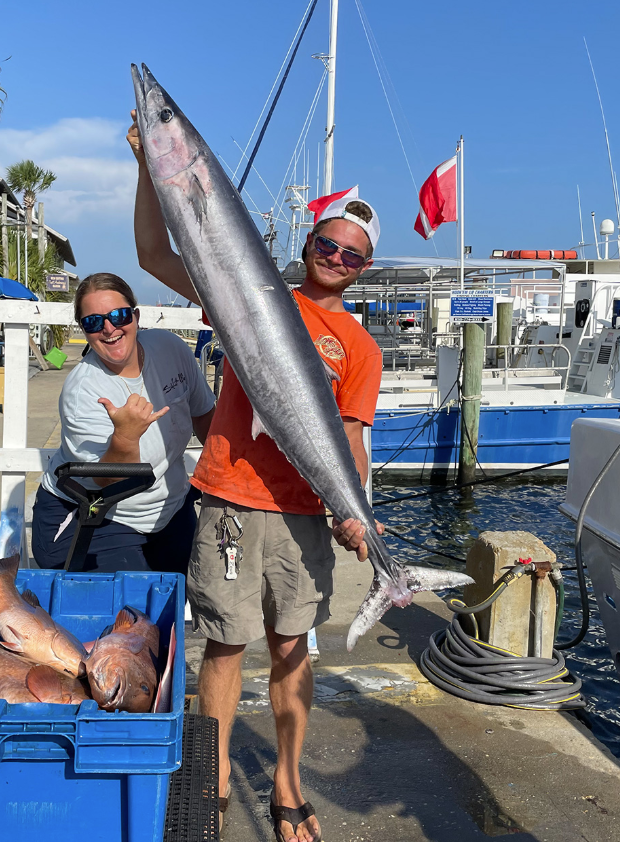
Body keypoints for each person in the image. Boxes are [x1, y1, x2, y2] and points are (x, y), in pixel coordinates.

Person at [128, 113, 383, 842]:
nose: (337, 257)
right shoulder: (251, 290)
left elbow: (354, 441)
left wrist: (356, 509)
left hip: (307, 513)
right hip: (232, 502)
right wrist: (149, 166)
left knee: (291, 649)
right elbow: (153, 251)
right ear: (307, 243)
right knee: (225, 647)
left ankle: (287, 785)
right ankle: (207, 790)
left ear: (363, 269)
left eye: (353, 255)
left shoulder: (360, 348)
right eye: (329, 243)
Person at [32, 272, 216, 575]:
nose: (109, 328)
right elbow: (108, 483)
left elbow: (204, 415)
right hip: (95, 514)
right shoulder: (83, 392)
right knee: (128, 615)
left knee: (171, 602)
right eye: (94, 322)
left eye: (119, 315)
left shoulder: (170, 348)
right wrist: (127, 435)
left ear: (136, 316)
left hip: (169, 507)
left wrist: (229, 479)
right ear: (84, 330)